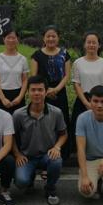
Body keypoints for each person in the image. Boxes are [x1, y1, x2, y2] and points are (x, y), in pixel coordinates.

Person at [13, 75, 67, 205]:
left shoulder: (56, 112)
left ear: (46, 91)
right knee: (21, 182)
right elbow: (11, 137)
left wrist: (57, 147)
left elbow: (63, 134)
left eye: (40, 90)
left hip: (47, 155)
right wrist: (17, 154)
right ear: (28, 92)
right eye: (33, 90)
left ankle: (50, 189)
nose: (36, 93)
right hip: (27, 157)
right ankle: (29, 180)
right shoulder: (18, 114)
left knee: (56, 161)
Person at [30, 26, 71, 157]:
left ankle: (62, 154)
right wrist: (45, 90)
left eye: (54, 36)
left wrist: (56, 89)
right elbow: (34, 76)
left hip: (60, 93)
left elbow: (66, 75)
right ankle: (44, 153)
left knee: (61, 122)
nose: (51, 38)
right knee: (44, 123)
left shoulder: (64, 54)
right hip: (42, 94)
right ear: (44, 38)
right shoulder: (37, 55)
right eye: (48, 36)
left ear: (58, 38)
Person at [70, 31, 103, 150]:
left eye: (94, 42)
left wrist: (97, 102)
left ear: (99, 45)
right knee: (79, 129)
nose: (91, 45)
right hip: (82, 100)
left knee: (99, 129)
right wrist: (86, 103)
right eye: (89, 42)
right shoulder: (78, 63)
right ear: (84, 44)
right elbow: (76, 84)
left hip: (100, 101)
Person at [0, 29, 29, 115]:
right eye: (8, 38)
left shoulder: (23, 59)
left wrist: (20, 97)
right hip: (1, 94)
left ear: (17, 40)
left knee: (18, 121)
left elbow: (25, 80)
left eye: (13, 38)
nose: (11, 40)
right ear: (4, 39)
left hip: (18, 94)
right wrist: (3, 99)